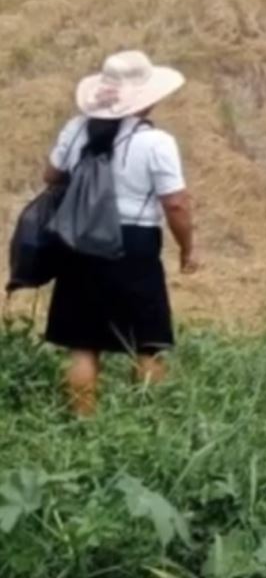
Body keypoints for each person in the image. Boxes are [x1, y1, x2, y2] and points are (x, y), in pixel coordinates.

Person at [41, 51, 198, 416]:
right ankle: (146, 423)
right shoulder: (157, 142)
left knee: (82, 343)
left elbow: (50, 177)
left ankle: (83, 424)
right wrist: (187, 248)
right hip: (134, 244)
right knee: (147, 340)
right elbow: (175, 204)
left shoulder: (76, 128)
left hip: (80, 241)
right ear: (146, 98)